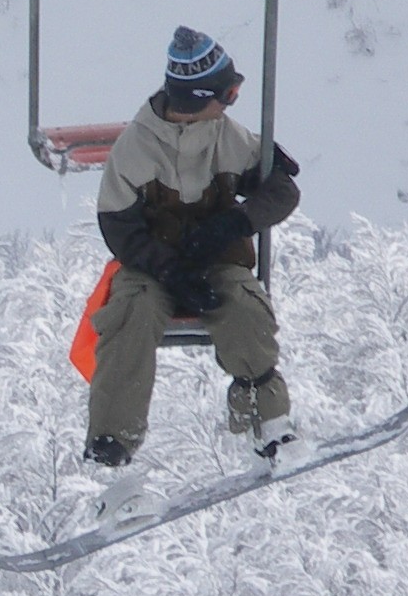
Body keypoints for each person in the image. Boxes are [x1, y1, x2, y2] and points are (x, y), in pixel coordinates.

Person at [86, 26, 303, 477]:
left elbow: (282, 190)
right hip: (151, 266)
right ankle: (111, 444)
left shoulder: (229, 139)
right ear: (199, 96)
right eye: (228, 92)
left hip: (217, 261)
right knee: (130, 313)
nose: (230, 103)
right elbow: (120, 228)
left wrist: (235, 222)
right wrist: (171, 271)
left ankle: (267, 422)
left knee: (244, 309)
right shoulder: (135, 151)